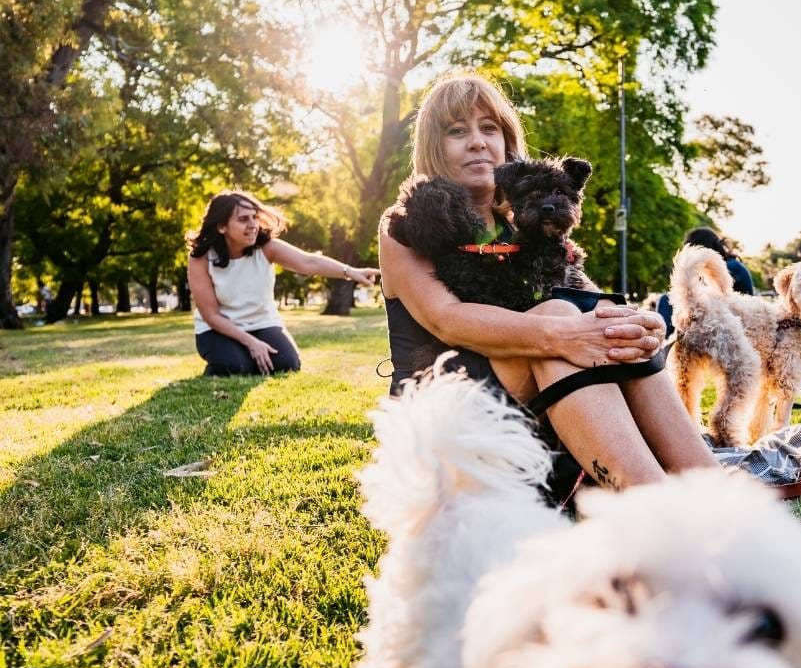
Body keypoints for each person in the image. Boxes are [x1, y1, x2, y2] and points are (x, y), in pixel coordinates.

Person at [378, 71, 719, 491]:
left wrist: (637, 322)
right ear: (434, 145)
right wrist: (563, 334)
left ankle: (709, 484)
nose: (477, 142)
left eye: (489, 128)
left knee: (612, 323)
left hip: (527, 394)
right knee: (558, 317)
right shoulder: (407, 223)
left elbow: (587, 296)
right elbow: (446, 319)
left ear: (507, 143)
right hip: (443, 402)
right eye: (457, 131)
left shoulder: (525, 223)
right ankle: (649, 498)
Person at [187, 191, 379, 376]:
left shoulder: (266, 248)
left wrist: (351, 272)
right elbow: (211, 315)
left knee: (287, 364)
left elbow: (308, 262)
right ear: (222, 226)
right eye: (243, 219)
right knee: (236, 366)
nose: (253, 225)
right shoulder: (200, 258)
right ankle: (230, 360)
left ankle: (244, 357)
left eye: (254, 217)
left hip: (261, 323)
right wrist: (251, 343)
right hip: (216, 329)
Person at [655, 227, 754, 335]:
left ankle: (664, 336)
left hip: (731, 322)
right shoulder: (734, 265)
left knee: (666, 300)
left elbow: (694, 294)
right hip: (724, 318)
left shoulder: (731, 267)